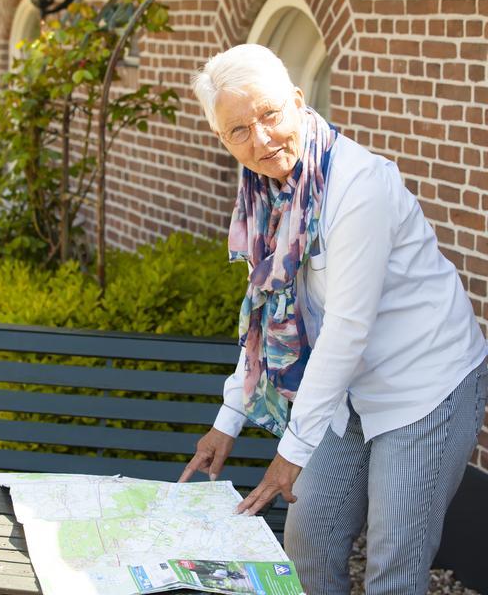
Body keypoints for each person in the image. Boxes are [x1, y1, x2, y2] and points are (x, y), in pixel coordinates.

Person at [179, 43, 488, 595]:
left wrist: (289, 454)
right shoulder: (263, 194)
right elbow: (266, 310)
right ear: (222, 140)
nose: (262, 139)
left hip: (422, 386)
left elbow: (347, 329)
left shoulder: (358, 185)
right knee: (308, 546)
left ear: (297, 101)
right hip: (344, 395)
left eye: (269, 115)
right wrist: (228, 420)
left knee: (393, 569)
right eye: (238, 131)